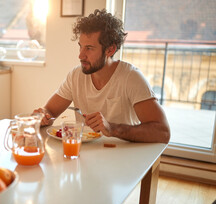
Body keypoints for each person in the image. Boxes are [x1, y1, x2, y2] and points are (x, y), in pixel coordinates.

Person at [34, 9, 170, 143]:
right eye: (80, 46)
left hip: (123, 159)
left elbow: (163, 132)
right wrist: (42, 116)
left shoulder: (131, 78)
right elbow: (50, 111)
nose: (80, 55)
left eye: (89, 48)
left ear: (110, 50)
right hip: (83, 156)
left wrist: (112, 128)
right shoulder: (76, 76)